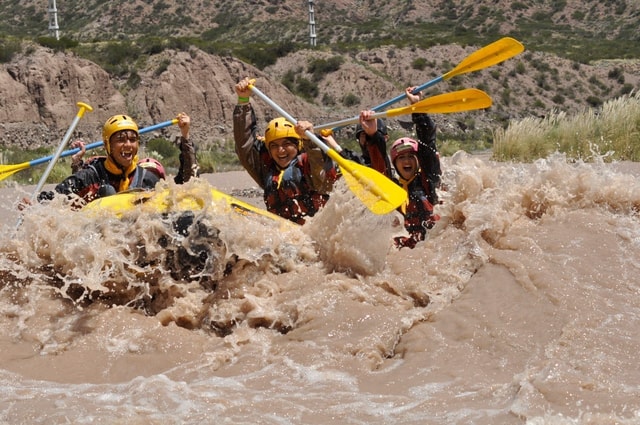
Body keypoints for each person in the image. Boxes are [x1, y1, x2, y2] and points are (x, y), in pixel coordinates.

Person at [233, 77, 338, 225]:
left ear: (298, 145)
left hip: (311, 235)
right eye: (274, 146)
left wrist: (310, 139)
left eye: (287, 144)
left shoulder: (309, 165)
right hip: (283, 234)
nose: (280, 150)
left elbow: (321, 168)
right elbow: (245, 146)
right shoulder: (266, 170)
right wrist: (243, 101)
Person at [35, 112, 198, 206]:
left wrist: (185, 136)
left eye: (132, 139)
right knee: (108, 191)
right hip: (98, 233)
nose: (128, 145)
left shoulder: (147, 178)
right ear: (108, 145)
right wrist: (36, 203)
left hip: (132, 237)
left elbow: (185, 184)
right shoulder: (91, 175)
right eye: (120, 139)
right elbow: (58, 195)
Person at [390, 86, 442, 249]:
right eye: (401, 158)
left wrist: (418, 109)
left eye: (410, 157)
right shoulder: (391, 187)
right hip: (408, 249)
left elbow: (428, 145)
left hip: (432, 246)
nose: (406, 161)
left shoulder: (429, 179)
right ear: (395, 164)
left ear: (418, 160)